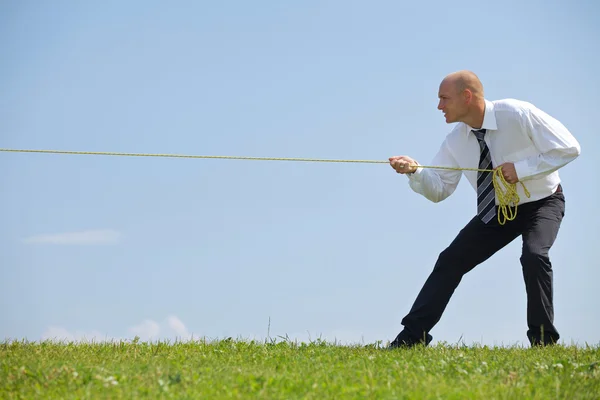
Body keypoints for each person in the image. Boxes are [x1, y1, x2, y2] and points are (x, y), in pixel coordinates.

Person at [388, 70, 581, 348]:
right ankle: (411, 338)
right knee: (450, 260)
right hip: (498, 211)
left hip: (543, 202)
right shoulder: (455, 141)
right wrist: (415, 171)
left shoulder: (517, 113)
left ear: (467, 97)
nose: (439, 106)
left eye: (444, 98)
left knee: (534, 256)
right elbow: (439, 190)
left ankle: (543, 342)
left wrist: (522, 170)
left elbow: (569, 147)